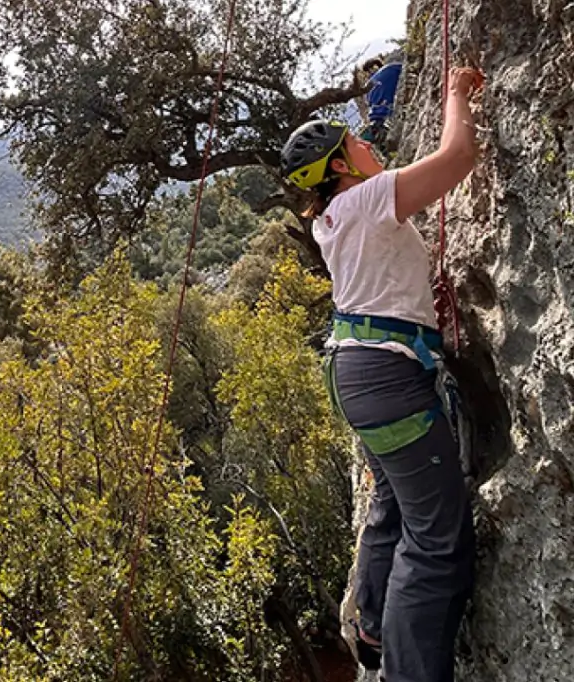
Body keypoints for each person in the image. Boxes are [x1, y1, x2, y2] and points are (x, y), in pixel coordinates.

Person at [278, 65, 485, 682]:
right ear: (341, 166)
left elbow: (381, 280)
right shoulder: (365, 199)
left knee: (395, 495)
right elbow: (458, 158)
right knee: (437, 542)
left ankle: (371, 626)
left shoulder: (329, 221)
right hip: (387, 380)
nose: (370, 146)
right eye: (358, 145)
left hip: (360, 372)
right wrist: (454, 93)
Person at [360, 57, 404, 152]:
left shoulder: (368, 88)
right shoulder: (393, 67)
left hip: (377, 122)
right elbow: (407, 68)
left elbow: (371, 104)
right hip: (390, 115)